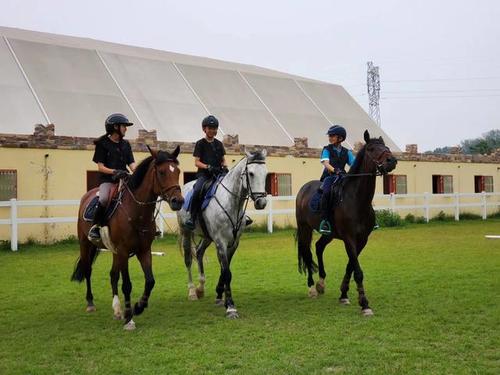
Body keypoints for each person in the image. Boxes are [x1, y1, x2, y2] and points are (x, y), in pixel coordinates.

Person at [88, 113, 136, 241]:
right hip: (108, 180)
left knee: (140, 195)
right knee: (103, 199)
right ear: (115, 127)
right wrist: (115, 172)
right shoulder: (103, 144)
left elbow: (132, 164)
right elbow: (101, 167)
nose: (126, 128)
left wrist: (138, 173)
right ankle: (96, 227)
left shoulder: (126, 144)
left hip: (125, 179)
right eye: (124, 126)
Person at [185, 115, 228, 230]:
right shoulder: (200, 143)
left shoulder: (219, 144)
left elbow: (223, 159)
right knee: (198, 190)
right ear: (204, 129)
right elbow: (197, 162)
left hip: (218, 173)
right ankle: (192, 218)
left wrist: (225, 166)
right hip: (204, 175)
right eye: (210, 128)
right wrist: (207, 167)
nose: (212, 130)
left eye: (214, 128)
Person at [318, 125, 355, 235]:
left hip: (343, 177)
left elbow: (353, 164)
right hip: (329, 177)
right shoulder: (326, 149)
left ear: (340, 138)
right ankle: (324, 221)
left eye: (332, 136)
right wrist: (335, 170)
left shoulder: (347, 152)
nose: (330, 138)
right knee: (326, 193)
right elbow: (325, 163)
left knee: (358, 190)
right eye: (329, 136)